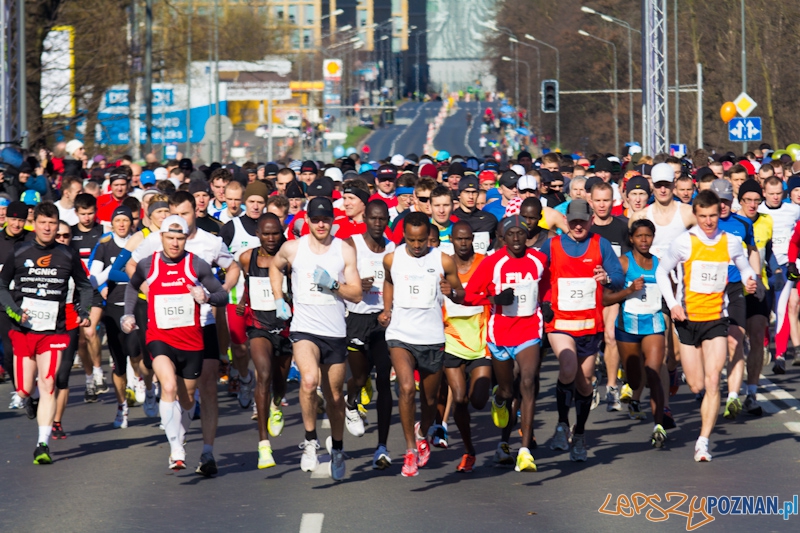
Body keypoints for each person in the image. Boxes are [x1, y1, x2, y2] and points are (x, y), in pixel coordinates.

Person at [127, 191, 240, 476]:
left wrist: (212, 296)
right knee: (170, 387)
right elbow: (133, 271)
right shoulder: (154, 245)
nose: (177, 223)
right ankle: (177, 446)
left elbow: (232, 270)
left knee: (203, 389)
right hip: (164, 330)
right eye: (172, 214)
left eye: (185, 214)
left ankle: (206, 451)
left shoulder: (208, 246)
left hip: (202, 327)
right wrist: (147, 295)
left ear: (195, 214)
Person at [656, 190, 757, 462]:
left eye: (713, 216)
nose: (709, 222)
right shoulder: (684, 243)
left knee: (714, 381)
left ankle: (703, 441)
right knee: (698, 384)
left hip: (716, 319)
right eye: (703, 216)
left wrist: (749, 279)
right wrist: (673, 304)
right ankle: (685, 380)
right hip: (688, 321)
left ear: (718, 213)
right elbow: (661, 272)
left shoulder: (731, 242)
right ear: (696, 215)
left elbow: (745, 266)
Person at [269, 197, 363, 481]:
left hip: (334, 331)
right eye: (315, 219)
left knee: (334, 397)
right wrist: (278, 298)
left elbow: (356, 293)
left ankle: (337, 448)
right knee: (309, 381)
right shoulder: (293, 248)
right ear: (307, 220)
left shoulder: (344, 249)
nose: (321, 224)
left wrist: (334, 285)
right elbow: (275, 266)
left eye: (326, 219)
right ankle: (310, 441)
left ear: (332, 221)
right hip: (304, 329)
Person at [0, 201, 93, 464]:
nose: (48, 228)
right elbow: (2, 285)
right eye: (43, 223)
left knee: (49, 383)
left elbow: (85, 286)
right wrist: (14, 311)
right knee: (26, 387)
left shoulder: (68, 254)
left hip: (54, 330)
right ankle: (26, 396)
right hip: (24, 329)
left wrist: (83, 311)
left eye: (52, 224)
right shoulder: (20, 251)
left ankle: (42, 444)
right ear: (35, 224)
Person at [379, 212, 465, 477]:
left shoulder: (443, 260)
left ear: (430, 236)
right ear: (403, 235)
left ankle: (422, 433)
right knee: (406, 387)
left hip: (432, 338)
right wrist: (386, 309)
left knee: (429, 400)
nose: (416, 246)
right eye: (411, 240)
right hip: (400, 335)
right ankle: (409, 451)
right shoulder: (392, 258)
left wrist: (452, 293)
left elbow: (461, 293)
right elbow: (389, 281)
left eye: (421, 240)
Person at [540, 199, 624, 462]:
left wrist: (606, 278)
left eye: (582, 221)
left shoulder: (601, 244)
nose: (577, 225)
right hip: (560, 323)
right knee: (567, 367)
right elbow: (535, 273)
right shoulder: (552, 245)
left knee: (584, 382)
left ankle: (579, 433)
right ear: (566, 221)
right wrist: (543, 303)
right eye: (573, 221)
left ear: (590, 220)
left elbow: (620, 277)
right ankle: (562, 424)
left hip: (589, 325)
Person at [465, 217, 546, 472]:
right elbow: (469, 295)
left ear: (527, 235)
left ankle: (523, 451)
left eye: (520, 233)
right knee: (507, 391)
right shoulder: (492, 262)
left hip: (529, 329)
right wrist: (495, 298)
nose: (516, 238)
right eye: (510, 234)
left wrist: (549, 304)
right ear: (502, 237)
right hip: (500, 335)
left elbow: (550, 286)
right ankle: (500, 406)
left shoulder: (539, 261)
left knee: (529, 381)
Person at [602, 220, 668, 447]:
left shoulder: (661, 264)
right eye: (639, 236)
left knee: (653, 373)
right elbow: (605, 298)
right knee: (634, 377)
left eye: (648, 236)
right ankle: (629, 384)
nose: (643, 240)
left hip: (654, 325)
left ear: (653, 237)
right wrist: (629, 290)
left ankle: (658, 425)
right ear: (631, 238)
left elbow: (672, 291)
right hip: (627, 328)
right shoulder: (622, 263)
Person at [343, 200, 396, 468]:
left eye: (382, 219)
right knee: (360, 377)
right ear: (366, 219)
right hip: (355, 318)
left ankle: (383, 447)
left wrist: (390, 309)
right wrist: (354, 285)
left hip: (382, 320)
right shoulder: (351, 244)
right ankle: (349, 402)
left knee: (384, 378)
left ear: (387, 219)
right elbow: (336, 279)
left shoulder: (393, 249)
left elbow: (396, 281)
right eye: (373, 219)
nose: (377, 223)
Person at [236, 213, 292, 469]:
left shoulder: (290, 257)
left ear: (282, 233)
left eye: (275, 233)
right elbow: (248, 284)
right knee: (264, 374)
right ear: (257, 233)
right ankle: (264, 445)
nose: (271, 238)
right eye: (266, 233)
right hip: (258, 325)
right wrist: (242, 302)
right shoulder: (248, 258)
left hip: (286, 328)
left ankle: (276, 404)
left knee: (280, 383)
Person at [709, 179, 763, 420]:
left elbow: (752, 251)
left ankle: (732, 396)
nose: (722, 206)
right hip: (708, 290)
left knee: (736, 341)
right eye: (718, 201)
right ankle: (709, 388)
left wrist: (756, 279)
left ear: (732, 200)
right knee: (711, 344)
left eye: (726, 201)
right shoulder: (704, 222)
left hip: (735, 288)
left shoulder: (742, 223)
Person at [89, 206, 141, 428]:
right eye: (117, 220)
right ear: (112, 223)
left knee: (136, 350)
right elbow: (94, 276)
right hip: (112, 308)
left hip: (135, 305)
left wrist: (114, 274)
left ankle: (139, 380)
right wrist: (102, 283)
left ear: (131, 223)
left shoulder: (139, 243)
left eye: (125, 220)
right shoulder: (104, 245)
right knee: (118, 361)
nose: (121, 224)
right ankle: (122, 407)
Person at [219, 181, 269, 401]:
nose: (255, 206)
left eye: (260, 202)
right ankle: (244, 377)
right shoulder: (232, 227)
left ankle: (262, 390)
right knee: (239, 348)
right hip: (236, 297)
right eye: (251, 201)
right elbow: (218, 257)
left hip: (264, 299)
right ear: (245, 202)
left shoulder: (271, 226)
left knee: (263, 348)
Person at [587, 181, 631, 412]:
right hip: (587, 294)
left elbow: (627, 261)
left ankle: (612, 387)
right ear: (590, 201)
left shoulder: (622, 228)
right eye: (598, 200)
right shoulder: (585, 228)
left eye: (606, 200)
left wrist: (612, 273)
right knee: (591, 341)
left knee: (611, 335)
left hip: (612, 290)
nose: (602, 205)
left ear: (613, 201)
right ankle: (591, 380)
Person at [737, 179, 772, 415]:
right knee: (735, 342)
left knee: (758, 336)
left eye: (756, 201)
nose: (752, 205)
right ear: (740, 201)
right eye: (747, 200)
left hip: (760, 288)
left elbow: (767, 253)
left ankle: (751, 392)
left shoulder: (767, 222)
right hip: (734, 290)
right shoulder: (730, 222)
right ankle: (733, 390)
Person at [69, 193, 109, 402]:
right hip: (75, 291)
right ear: (76, 213)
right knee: (81, 341)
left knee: (91, 330)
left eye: (90, 213)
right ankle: (89, 379)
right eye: (83, 214)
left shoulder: (103, 232)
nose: (87, 217)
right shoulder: (70, 233)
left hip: (96, 289)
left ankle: (98, 371)